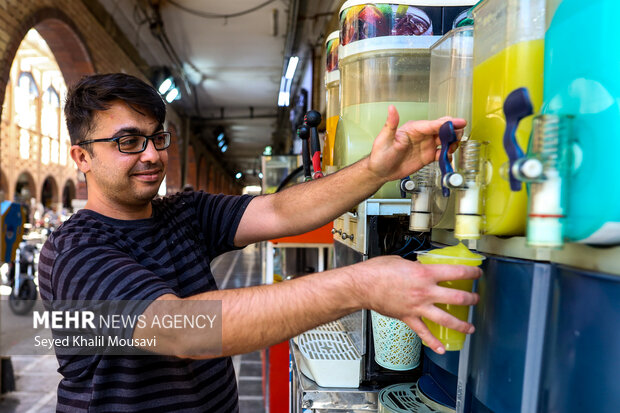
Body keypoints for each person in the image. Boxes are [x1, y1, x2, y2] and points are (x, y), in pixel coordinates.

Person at [38, 73, 480, 412]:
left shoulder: (181, 212)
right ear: (83, 157)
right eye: (127, 142)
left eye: (156, 137)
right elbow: (179, 329)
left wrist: (379, 169)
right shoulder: (75, 252)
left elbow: (279, 211)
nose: (151, 154)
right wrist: (359, 285)